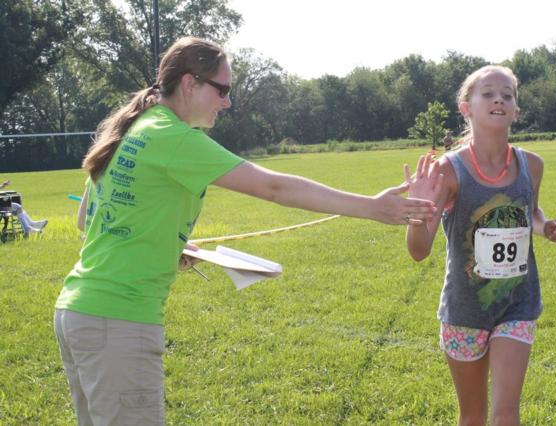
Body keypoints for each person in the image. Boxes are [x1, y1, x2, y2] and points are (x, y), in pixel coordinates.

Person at [53, 36, 438, 426]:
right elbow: (274, 187)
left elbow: (89, 218)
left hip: (77, 311)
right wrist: (371, 207)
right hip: (119, 318)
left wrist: (167, 245)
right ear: (190, 83)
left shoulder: (135, 128)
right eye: (222, 90)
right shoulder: (173, 137)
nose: (228, 102)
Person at [404, 65, 556, 426]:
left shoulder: (532, 165)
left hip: (518, 303)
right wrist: (418, 211)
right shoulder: (447, 172)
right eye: (488, 93)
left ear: (516, 110)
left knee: (507, 413)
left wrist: (548, 227)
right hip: (465, 311)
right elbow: (419, 250)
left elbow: (533, 214)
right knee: (473, 416)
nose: (499, 99)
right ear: (466, 107)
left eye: (507, 95)